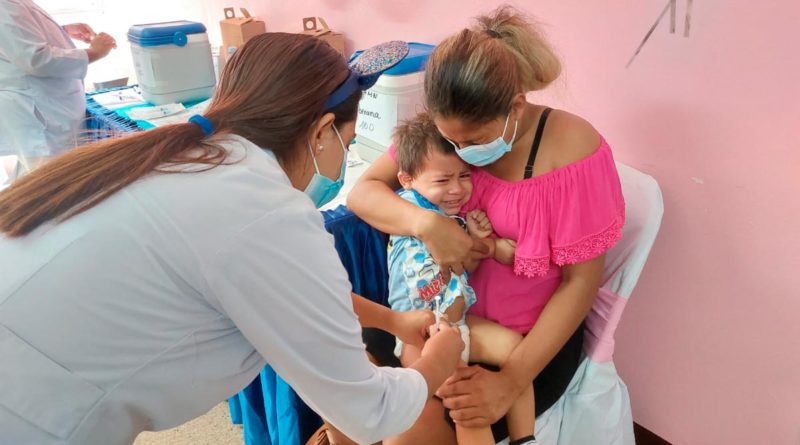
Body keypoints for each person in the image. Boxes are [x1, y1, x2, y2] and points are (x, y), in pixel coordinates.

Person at [0, 33, 464, 445]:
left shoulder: (183, 155)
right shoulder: (267, 214)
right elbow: (371, 413)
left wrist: (393, 322)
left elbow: (288, 292)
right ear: (322, 131)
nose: (342, 157)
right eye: (346, 138)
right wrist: (437, 362)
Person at [347, 6, 625, 444]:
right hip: (437, 318)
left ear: (515, 106)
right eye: (451, 139)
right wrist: (425, 224)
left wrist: (510, 382)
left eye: (472, 142)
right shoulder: (446, 127)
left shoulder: (572, 149)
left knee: (415, 424)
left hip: (525, 347)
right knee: (346, 391)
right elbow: (364, 193)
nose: (461, 151)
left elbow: (580, 283)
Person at [388, 113, 536, 445]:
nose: (457, 189)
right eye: (443, 181)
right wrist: (490, 246)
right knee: (465, 399)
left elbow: (459, 271)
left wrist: (473, 238)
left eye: (465, 175)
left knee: (518, 352)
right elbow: (441, 263)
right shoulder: (413, 210)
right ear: (407, 180)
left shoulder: (452, 219)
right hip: (421, 336)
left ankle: (525, 438)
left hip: (459, 325)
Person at [0, 0, 116, 179]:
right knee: (52, 184)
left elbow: (17, 38)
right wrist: (94, 52)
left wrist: (62, 30)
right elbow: (36, 59)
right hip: (40, 114)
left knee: (38, 179)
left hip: (43, 108)